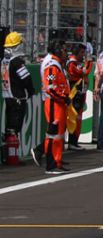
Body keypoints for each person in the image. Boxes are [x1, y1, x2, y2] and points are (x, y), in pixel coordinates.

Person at [36, 39, 70, 174]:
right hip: (54, 103)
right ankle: (51, 164)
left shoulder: (58, 64)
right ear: (57, 50)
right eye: (63, 49)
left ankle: (57, 161)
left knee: (59, 135)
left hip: (60, 103)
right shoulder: (51, 66)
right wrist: (63, 97)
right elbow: (50, 88)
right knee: (53, 134)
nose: (66, 52)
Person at [5, 32, 33, 145]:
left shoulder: (4, 61)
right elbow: (26, 78)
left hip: (8, 96)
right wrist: (31, 90)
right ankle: (12, 155)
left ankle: (10, 154)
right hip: (18, 97)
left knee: (10, 126)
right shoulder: (17, 62)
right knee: (15, 126)